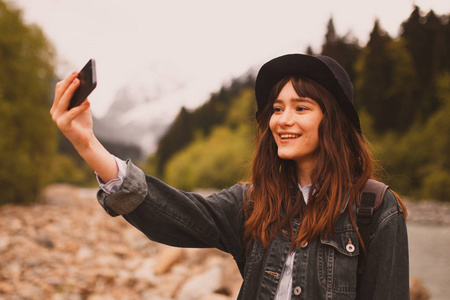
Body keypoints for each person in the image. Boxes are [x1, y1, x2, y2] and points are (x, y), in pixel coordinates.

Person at [50, 53, 409, 299]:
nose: (283, 120)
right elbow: (172, 214)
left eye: (301, 108)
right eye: (277, 109)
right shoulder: (254, 202)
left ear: (333, 121)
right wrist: (87, 144)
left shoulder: (375, 209)